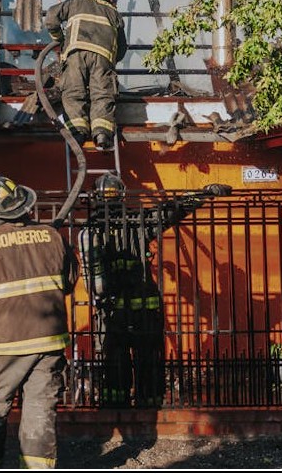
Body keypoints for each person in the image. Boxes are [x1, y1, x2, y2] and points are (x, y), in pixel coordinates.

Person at [0, 174, 78, 469]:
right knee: (40, 411)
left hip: (3, 346)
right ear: (23, 205)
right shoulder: (52, 236)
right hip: (49, 342)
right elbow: (70, 280)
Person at [78, 172, 232, 408]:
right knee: (148, 362)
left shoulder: (91, 231)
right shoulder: (139, 221)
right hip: (145, 311)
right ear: (122, 196)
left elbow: (92, 281)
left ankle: (114, 409)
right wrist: (204, 193)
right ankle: (149, 407)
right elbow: (174, 209)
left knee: (114, 363)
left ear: (95, 198)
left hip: (111, 312)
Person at [44, 0, 128, 151]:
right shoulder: (115, 14)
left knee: (73, 92)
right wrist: (109, 62)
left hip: (76, 54)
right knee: (102, 94)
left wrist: (59, 39)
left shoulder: (76, 2)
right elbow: (121, 50)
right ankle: (102, 134)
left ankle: (78, 133)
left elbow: (51, 17)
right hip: (103, 59)